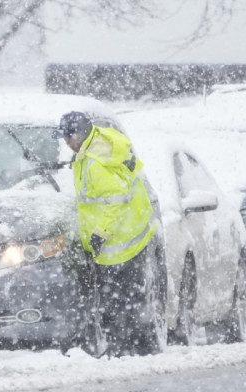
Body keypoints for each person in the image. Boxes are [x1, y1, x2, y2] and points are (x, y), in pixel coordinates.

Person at [52, 111, 163, 357]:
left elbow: (116, 199)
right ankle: (133, 348)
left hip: (120, 241)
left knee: (115, 301)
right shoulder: (102, 141)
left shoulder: (95, 163)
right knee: (129, 297)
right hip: (135, 228)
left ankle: (123, 350)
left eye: (67, 138)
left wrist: (100, 233)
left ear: (78, 136)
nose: (66, 144)